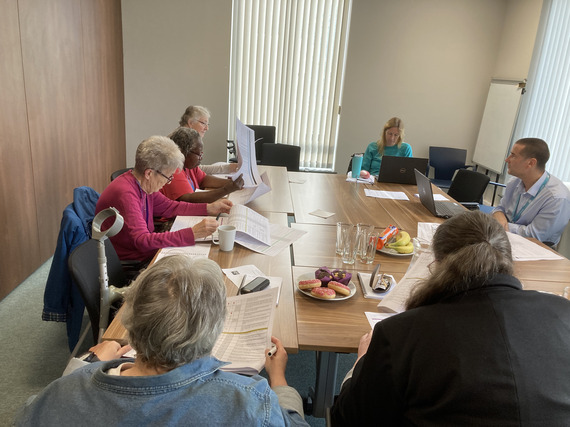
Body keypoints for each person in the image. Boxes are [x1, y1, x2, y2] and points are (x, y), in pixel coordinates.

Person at [331, 211, 570, 425]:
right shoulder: (564, 313)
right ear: (507, 261)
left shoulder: (400, 333)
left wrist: (360, 363)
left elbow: (349, 418)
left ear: (436, 265)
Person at [15, 256, 308, 426]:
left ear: (131, 318)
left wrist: (88, 365)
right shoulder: (249, 401)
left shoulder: (58, 395)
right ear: (215, 328)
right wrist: (279, 378)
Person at [95, 136, 232, 262]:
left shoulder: (142, 183)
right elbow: (142, 241)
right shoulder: (125, 194)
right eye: (168, 177)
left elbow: (170, 206)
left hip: (146, 252)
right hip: (135, 261)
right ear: (149, 173)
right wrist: (193, 233)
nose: (168, 182)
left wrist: (208, 208)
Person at [492, 137, 570, 246]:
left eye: (513, 155)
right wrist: (498, 214)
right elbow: (500, 208)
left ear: (531, 163)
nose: (507, 160)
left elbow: (534, 235)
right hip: (506, 238)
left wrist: (501, 225)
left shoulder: (556, 197)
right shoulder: (514, 182)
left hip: (537, 248)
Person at [161, 127, 244, 203]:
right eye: (198, 154)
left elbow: (203, 179)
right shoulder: (173, 169)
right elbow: (189, 199)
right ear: (183, 152)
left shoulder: (189, 165)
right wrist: (226, 189)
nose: (201, 158)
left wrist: (231, 183)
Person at [177, 105, 238, 175]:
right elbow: (197, 171)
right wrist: (228, 168)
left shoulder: (186, 138)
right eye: (203, 123)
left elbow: (196, 169)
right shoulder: (180, 141)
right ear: (190, 123)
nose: (207, 128)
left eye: (207, 124)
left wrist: (229, 167)